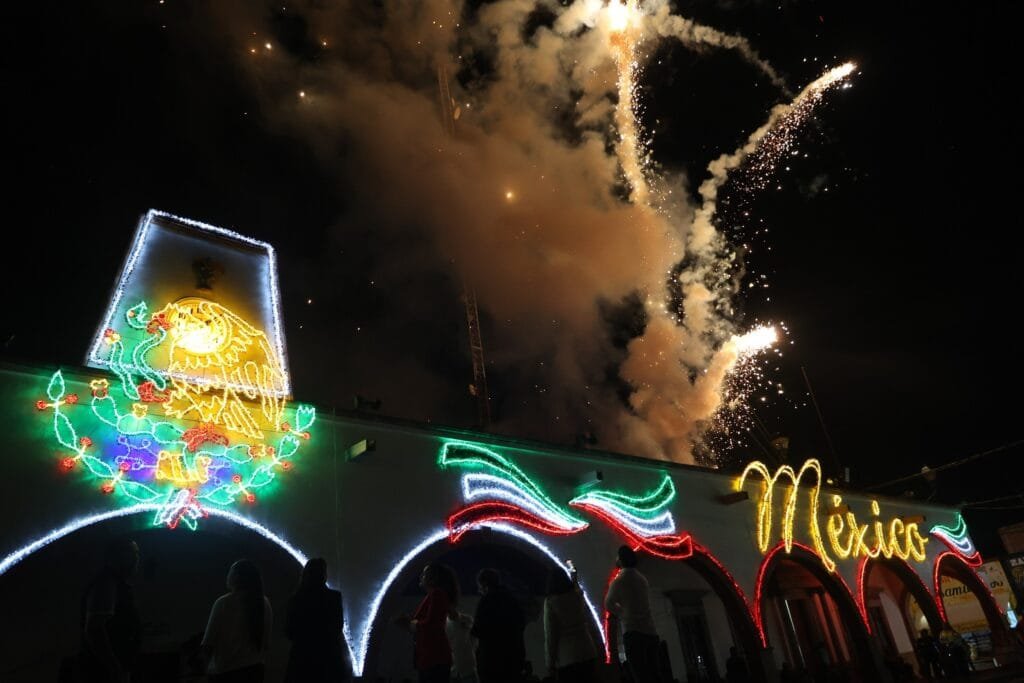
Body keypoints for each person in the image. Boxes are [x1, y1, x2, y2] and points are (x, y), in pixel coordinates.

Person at [80, 538, 142, 683]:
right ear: (118, 556)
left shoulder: (114, 583)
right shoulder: (107, 583)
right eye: (132, 553)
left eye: (137, 554)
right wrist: (116, 670)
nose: (137, 558)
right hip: (104, 674)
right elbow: (94, 630)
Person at [201, 559, 273, 683]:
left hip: (226, 672)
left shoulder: (223, 603)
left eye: (231, 571)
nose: (227, 575)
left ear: (237, 577)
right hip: (255, 671)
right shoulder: (264, 603)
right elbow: (266, 642)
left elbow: (208, 641)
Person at [284, 558, 350, 682]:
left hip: (301, 659)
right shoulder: (334, 597)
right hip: (329, 659)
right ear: (324, 574)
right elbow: (338, 627)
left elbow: (289, 631)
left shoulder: (296, 599)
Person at [605, 546, 661, 683]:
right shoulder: (642, 579)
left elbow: (608, 603)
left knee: (639, 674)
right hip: (650, 630)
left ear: (620, 560)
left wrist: (623, 613)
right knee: (654, 673)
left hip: (632, 631)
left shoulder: (619, 581)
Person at [396, 563, 459, 683]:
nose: (421, 576)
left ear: (433, 578)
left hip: (433, 657)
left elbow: (432, 625)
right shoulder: (435, 595)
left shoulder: (436, 594)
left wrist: (410, 623)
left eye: (424, 574)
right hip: (433, 656)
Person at [543, 568, 598, 683]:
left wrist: (550, 664)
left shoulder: (551, 603)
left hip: (567, 657)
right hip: (587, 649)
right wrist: (574, 577)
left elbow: (551, 635)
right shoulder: (577, 595)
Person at [472, 568, 527, 683]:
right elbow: (522, 623)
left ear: (483, 584)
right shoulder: (512, 600)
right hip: (513, 658)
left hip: (491, 660)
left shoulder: (485, 601)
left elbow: (477, 630)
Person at [447, 609, 478, 683]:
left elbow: (475, 641)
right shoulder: (444, 625)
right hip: (453, 671)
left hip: (468, 669)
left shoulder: (468, 620)